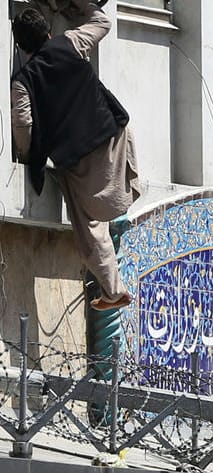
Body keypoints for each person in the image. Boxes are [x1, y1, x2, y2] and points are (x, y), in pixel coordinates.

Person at [10, 2, 141, 310]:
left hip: (77, 158)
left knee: (88, 225)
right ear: (46, 31)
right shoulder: (70, 41)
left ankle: (113, 290)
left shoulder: (23, 81)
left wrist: (28, 154)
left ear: (19, 45)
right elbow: (102, 22)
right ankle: (132, 189)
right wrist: (76, 3)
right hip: (112, 134)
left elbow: (23, 123)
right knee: (123, 161)